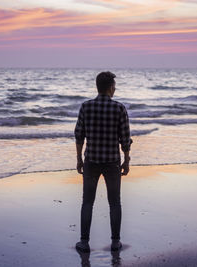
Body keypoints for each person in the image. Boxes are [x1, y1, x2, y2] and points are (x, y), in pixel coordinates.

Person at [74, 71, 132, 253]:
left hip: (91, 160)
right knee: (115, 202)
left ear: (97, 87)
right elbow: (125, 139)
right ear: (110, 88)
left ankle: (84, 242)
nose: (115, 89)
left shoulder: (86, 107)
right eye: (114, 86)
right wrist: (127, 160)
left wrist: (78, 159)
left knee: (87, 202)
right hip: (112, 162)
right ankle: (115, 242)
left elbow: (79, 136)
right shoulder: (119, 108)